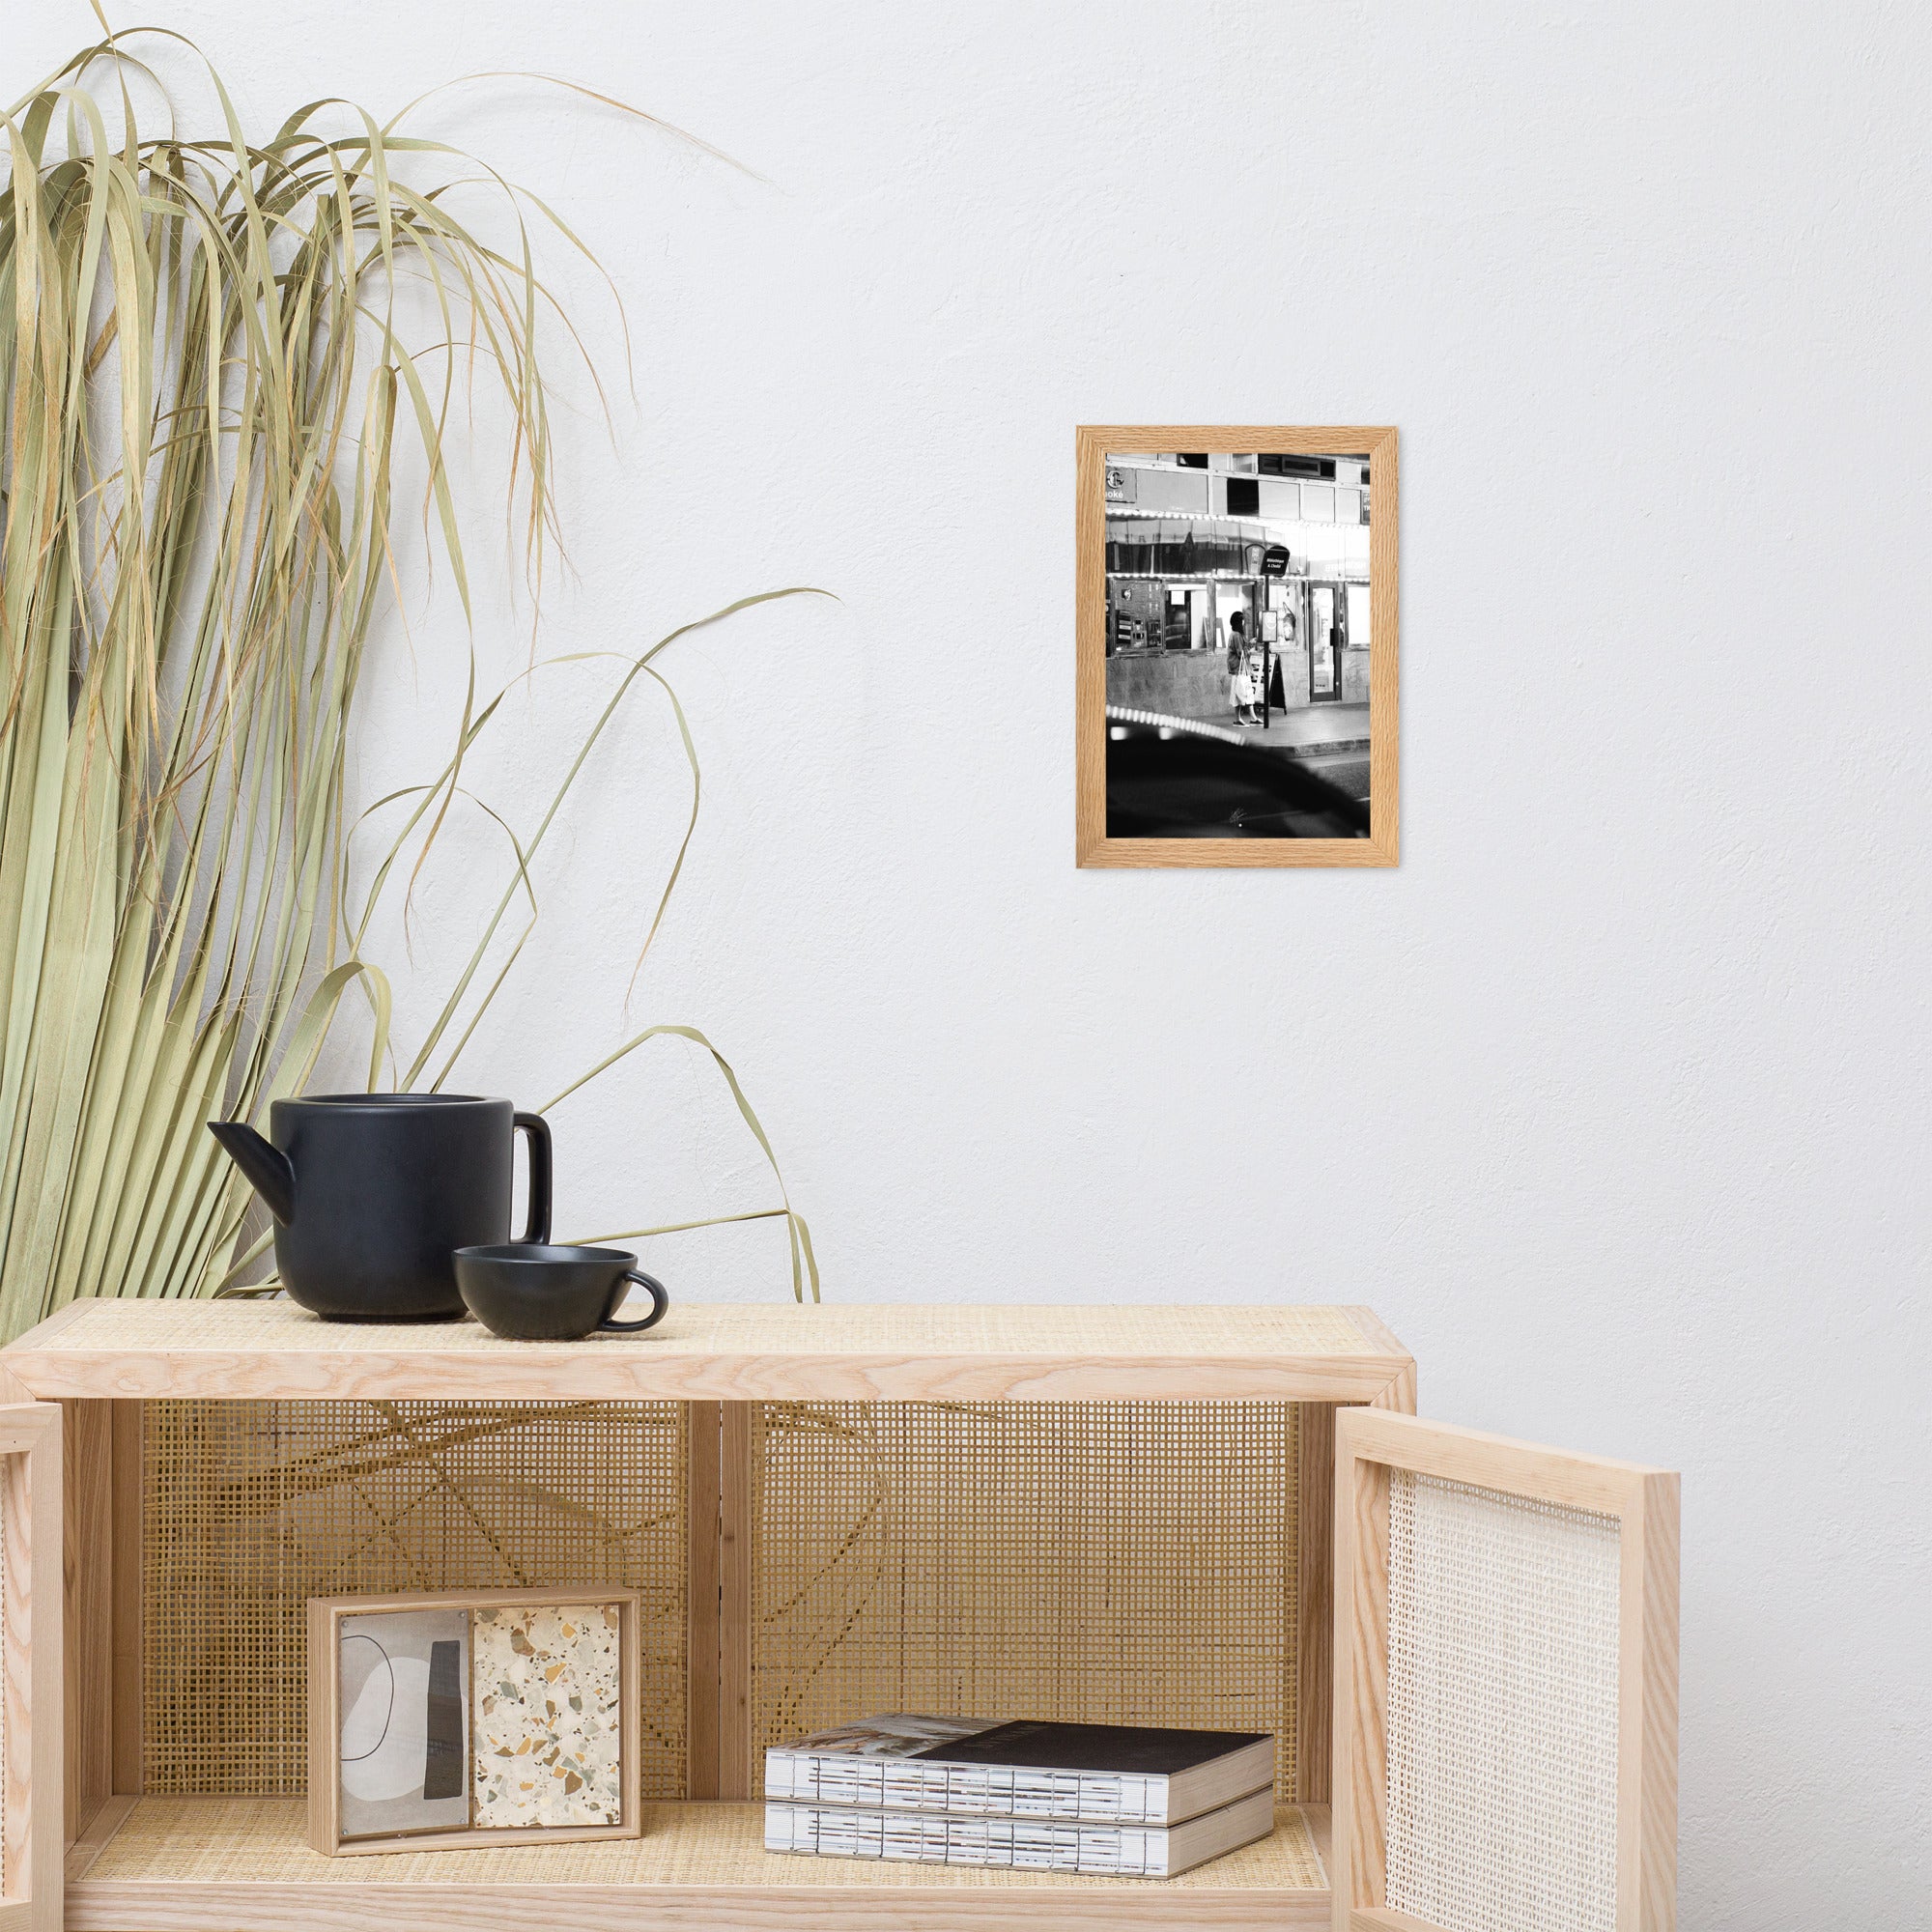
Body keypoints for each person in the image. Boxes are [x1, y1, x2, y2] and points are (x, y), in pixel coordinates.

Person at [1227, 611, 1257, 725]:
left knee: (1245, 692)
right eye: (1242, 620)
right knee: (1241, 693)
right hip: (1238, 669)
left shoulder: (1234, 634)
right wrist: (1251, 648)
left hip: (1240, 669)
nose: (1244, 622)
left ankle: (1250, 717)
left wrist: (1249, 644)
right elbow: (1241, 653)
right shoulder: (1236, 635)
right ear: (1239, 622)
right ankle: (1238, 719)